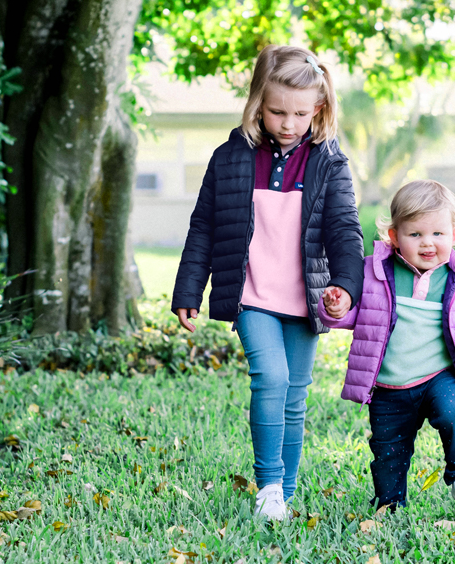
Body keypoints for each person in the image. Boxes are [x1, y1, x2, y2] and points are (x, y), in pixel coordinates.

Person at [170, 44, 362, 521]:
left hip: (306, 299)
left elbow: (344, 229)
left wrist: (345, 286)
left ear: (318, 108)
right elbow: (204, 227)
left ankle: (286, 493)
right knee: (271, 379)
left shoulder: (330, 163)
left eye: (300, 112)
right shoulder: (231, 158)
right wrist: (189, 290)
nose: (289, 122)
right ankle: (268, 485)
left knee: (296, 394)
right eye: (277, 111)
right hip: (251, 295)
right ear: (257, 103)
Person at [320, 179, 455, 511]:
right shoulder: (374, 273)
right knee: (388, 450)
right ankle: (390, 503)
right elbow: (350, 315)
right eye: (415, 235)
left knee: (454, 412)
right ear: (394, 237)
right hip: (389, 385)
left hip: (439, 376)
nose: (427, 243)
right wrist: (334, 307)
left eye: (437, 234)